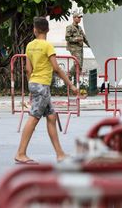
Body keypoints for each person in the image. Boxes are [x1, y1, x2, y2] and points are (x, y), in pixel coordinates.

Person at [15, 17, 78, 164]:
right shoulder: (48, 46)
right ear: (48, 30)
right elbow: (56, 68)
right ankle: (20, 153)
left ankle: (60, 154)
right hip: (43, 86)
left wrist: (32, 87)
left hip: (35, 83)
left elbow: (28, 69)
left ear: (34, 30)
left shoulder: (29, 46)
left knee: (51, 117)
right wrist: (71, 85)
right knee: (34, 117)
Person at [65, 12, 90, 79]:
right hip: (73, 48)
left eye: (80, 18)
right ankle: (68, 76)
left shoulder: (79, 28)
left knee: (80, 65)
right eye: (78, 17)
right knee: (77, 64)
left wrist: (91, 46)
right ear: (74, 18)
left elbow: (84, 38)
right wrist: (76, 39)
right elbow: (67, 38)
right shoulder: (69, 27)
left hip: (80, 48)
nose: (79, 19)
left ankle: (76, 82)